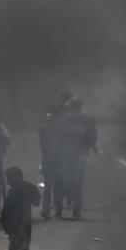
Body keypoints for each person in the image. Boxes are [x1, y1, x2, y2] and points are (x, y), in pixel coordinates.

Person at [57, 97, 97, 218]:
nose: (74, 109)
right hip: (66, 153)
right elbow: (58, 136)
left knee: (77, 181)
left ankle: (76, 208)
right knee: (67, 180)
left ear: (80, 108)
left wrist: (90, 145)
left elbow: (92, 135)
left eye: (76, 107)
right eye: (72, 107)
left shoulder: (87, 120)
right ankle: (70, 199)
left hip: (80, 153)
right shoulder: (63, 120)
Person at [37, 92, 69, 220]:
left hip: (58, 159)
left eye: (51, 113)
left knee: (58, 185)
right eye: (47, 113)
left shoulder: (60, 128)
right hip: (48, 159)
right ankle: (46, 209)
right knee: (49, 185)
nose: (48, 116)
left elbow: (64, 144)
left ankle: (58, 208)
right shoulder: (43, 129)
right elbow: (43, 146)